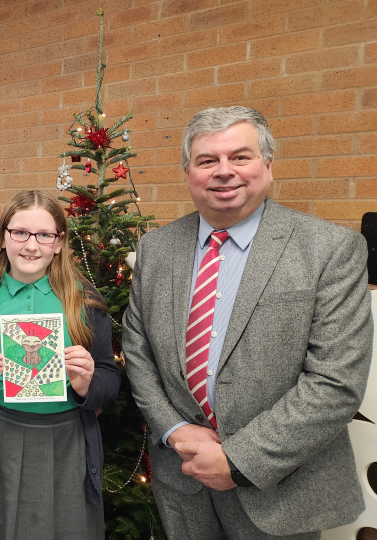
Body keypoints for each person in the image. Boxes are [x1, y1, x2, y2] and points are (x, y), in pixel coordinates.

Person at [122, 106, 373, 539]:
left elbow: (336, 382)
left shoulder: (331, 250)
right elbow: (138, 349)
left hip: (279, 487)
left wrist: (238, 459)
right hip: (182, 478)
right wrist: (176, 430)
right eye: (207, 160)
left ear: (268, 165)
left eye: (240, 157)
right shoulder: (157, 248)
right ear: (188, 172)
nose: (224, 172)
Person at [0, 190, 120, 540]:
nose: (31, 245)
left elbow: (109, 379)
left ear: (59, 242)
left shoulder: (84, 300)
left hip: (66, 438)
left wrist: (88, 383)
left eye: (44, 235)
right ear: (3, 237)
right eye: (20, 232)